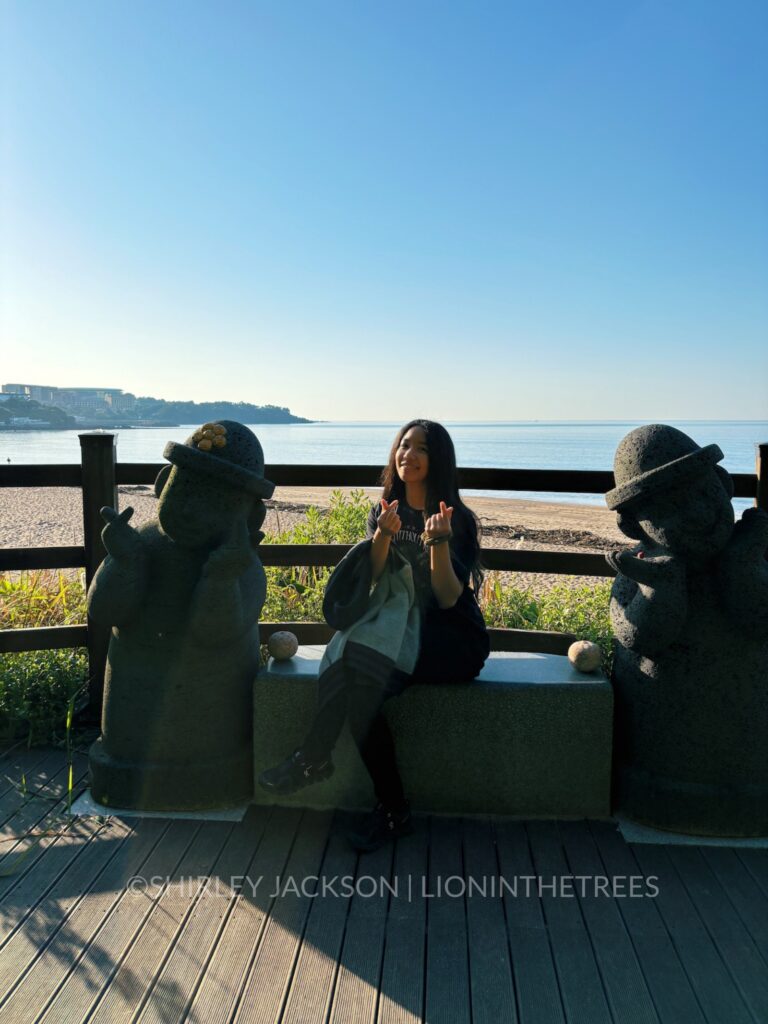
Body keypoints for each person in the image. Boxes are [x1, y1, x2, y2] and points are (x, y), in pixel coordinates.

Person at [258, 419, 490, 850]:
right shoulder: (384, 510)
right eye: (404, 445)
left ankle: (313, 758)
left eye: (422, 448)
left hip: (448, 640)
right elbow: (374, 577)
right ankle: (389, 807)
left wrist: (437, 543)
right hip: (392, 629)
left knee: (358, 674)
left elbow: (446, 598)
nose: (409, 455)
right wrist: (383, 534)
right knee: (360, 686)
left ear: (438, 458)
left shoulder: (456, 519)